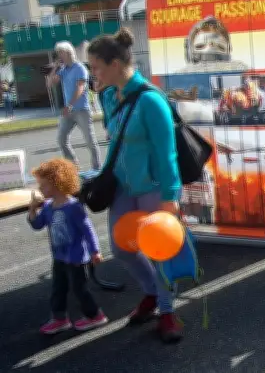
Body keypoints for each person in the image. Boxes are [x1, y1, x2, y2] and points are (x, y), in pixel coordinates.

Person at [87, 28, 184, 343]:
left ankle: (167, 312)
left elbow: (166, 152)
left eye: (96, 67)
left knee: (159, 251)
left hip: (153, 188)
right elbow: (115, 141)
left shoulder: (151, 100)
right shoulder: (107, 95)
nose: (92, 74)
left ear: (115, 63)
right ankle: (152, 293)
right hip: (123, 188)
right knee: (121, 248)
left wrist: (170, 198)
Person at [28, 158, 108, 335]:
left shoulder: (74, 207)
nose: (40, 190)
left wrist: (95, 251)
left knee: (79, 289)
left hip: (77, 258)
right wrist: (33, 210)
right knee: (58, 288)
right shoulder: (48, 207)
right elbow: (37, 225)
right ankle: (59, 318)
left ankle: (95, 315)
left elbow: (88, 230)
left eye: (43, 185)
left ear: (57, 183)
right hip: (59, 257)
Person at [47, 41, 101, 171]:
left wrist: (70, 105)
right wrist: (55, 67)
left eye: (60, 53)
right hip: (68, 112)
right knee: (61, 139)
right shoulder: (63, 70)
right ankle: (74, 166)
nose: (59, 56)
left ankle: (97, 168)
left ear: (68, 52)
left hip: (81, 110)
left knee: (89, 141)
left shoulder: (80, 68)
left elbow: (80, 88)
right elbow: (50, 83)